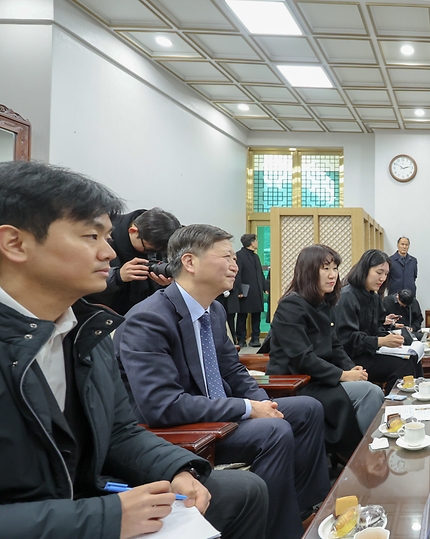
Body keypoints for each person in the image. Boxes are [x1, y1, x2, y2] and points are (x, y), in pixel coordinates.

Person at [0, 161, 267, 539]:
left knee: (243, 492)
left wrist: (176, 469)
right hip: (64, 518)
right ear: (15, 243)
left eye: (108, 238)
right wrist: (104, 518)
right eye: (91, 237)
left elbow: (120, 432)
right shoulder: (140, 319)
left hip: (93, 498)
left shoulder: (85, 331)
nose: (110, 254)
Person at [115, 224, 330, 539]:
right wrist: (247, 408)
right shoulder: (149, 318)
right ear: (190, 262)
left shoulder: (213, 310)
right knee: (273, 430)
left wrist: (261, 402)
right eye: (227, 257)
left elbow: (233, 372)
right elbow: (161, 406)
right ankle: (273, 528)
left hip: (214, 414)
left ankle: (304, 507)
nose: (236, 265)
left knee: (307, 408)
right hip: (176, 427)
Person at [263, 244, 384, 457]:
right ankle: (363, 456)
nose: (333, 275)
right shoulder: (291, 306)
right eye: (325, 268)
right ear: (309, 271)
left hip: (321, 377)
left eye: (335, 269)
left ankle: (366, 451)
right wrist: (343, 375)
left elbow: (335, 346)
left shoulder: (325, 303)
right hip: (297, 381)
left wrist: (350, 367)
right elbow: (302, 358)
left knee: (367, 384)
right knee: (370, 392)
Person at [338, 249, 423, 389]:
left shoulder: (374, 297)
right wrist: (381, 341)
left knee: (412, 358)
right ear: (365, 269)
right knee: (402, 366)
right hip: (351, 359)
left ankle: (417, 398)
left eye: (386, 274)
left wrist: (392, 339)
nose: (383, 278)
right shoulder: (347, 296)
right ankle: (395, 406)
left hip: (370, 352)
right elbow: (347, 339)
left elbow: (377, 328)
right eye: (379, 272)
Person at [85, 206, 180, 315]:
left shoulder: (158, 241)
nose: (151, 254)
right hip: (100, 314)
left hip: (137, 315)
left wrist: (164, 285)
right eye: (148, 250)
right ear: (133, 231)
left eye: (157, 252)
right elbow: (82, 279)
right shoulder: (102, 237)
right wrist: (118, 276)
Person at [236, 233, 267, 348]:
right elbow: (237, 274)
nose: (257, 242)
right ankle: (241, 339)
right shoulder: (239, 255)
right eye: (256, 240)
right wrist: (238, 290)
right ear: (250, 242)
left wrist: (265, 287)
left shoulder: (256, 256)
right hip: (245, 291)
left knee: (256, 316)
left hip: (256, 290)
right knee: (242, 316)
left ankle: (255, 338)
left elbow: (260, 274)